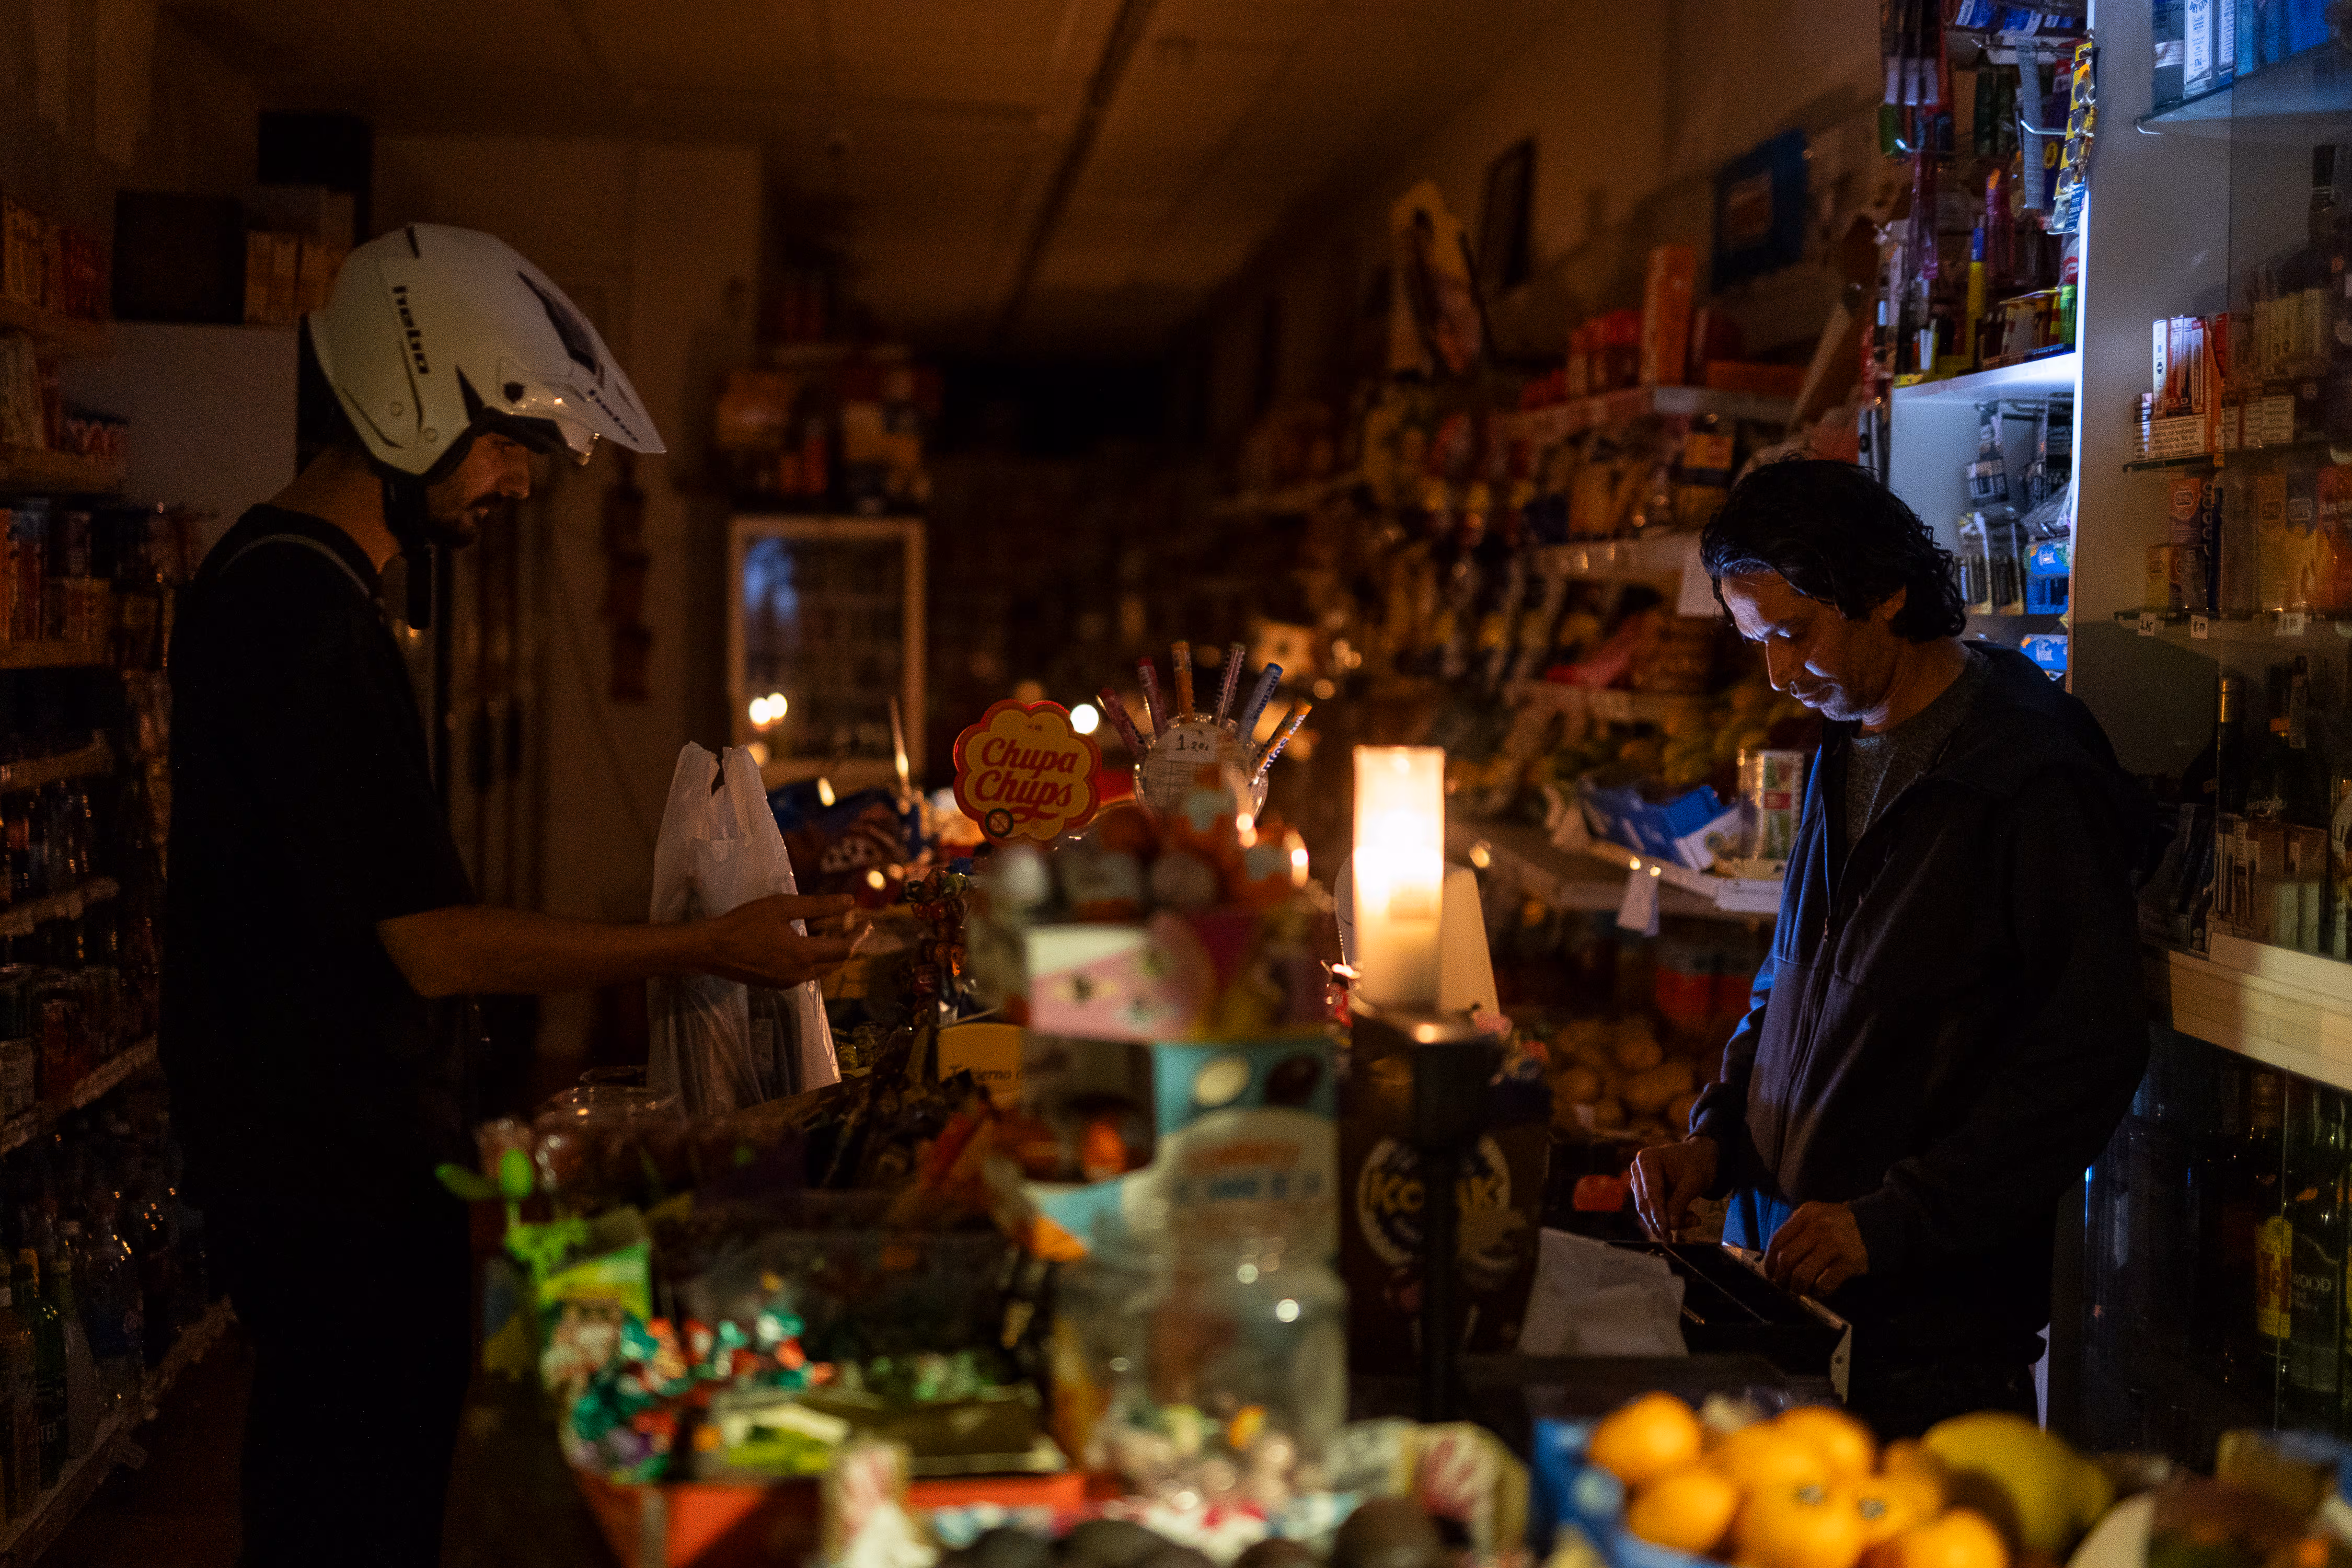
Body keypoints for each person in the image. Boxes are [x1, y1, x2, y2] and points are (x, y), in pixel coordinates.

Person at [159, 224, 858, 1567]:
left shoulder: (295, 586)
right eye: (503, 450)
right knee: (352, 1510)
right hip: (329, 1179)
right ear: (414, 403)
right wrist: (705, 943)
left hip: (322, 1158)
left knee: (351, 1488)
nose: (515, 492)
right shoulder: (301, 624)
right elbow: (433, 946)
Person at [1627, 459, 2148, 1437]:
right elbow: (1792, 979)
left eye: (1794, 632)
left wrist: (1900, 1217)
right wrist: (1717, 1138)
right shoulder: (1842, 746)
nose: (1779, 673)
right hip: (1795, 1295)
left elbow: (2087, 1050)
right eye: (1756, 642)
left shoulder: (2030, 772)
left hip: (1934, 1335)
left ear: (1886, 592)